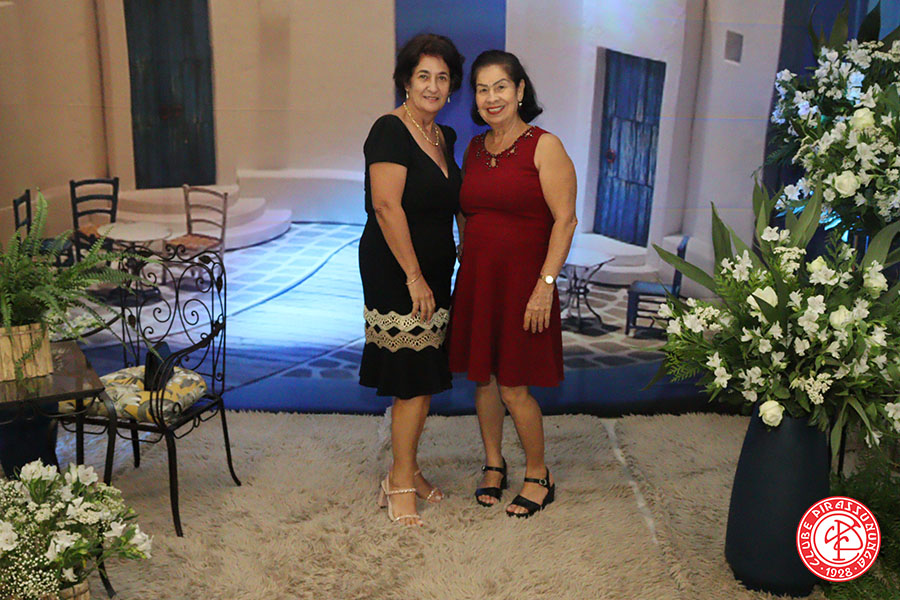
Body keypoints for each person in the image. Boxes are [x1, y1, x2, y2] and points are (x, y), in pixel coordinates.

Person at [447, 50, 577, 518]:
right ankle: (493, 464)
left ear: (520, 90)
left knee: (514, 388)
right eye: (482, 89)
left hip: (526, 287)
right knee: (483, 380)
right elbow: (466, 209)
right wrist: (467, 248)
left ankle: (539, 474)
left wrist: (545, 285)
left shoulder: (545, 146)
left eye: (500, 86)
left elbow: (565, 221)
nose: (491, 97)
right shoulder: (474, 148)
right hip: (479, 282)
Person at [358, 33, 464, 526]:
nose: (433, 86)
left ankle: (410, 467)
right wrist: (415, 277)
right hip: (399, 270)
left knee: (424, 375)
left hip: (437, 270)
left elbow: (451, 203)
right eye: (424, 76)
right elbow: (385, 206)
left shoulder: (445, 137)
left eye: (442, 77)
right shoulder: (389, 130)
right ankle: (399, 479)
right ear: (406, 80)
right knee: (412, 380)